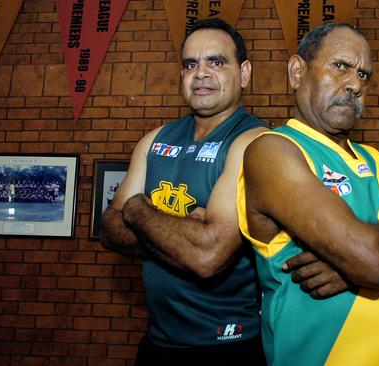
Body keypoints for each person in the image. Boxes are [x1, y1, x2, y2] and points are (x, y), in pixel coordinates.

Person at [237, 23, 379, 366]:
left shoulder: (375, 159)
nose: (355, 83)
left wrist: (364, 265)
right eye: (340, 66)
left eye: (364, 74)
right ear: (297, 72)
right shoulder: (274, 150)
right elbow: (370, 261)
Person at [99, 19, 268, 365]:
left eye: (216, 62)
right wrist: (183, 236)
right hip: (158, 343)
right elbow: (109, 230)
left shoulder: (255, 143)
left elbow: (208, 257)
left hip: (227, 346)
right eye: (191, 64)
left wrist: (137, 210)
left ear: (245, 73)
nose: (201, 73)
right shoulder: (155, 140)